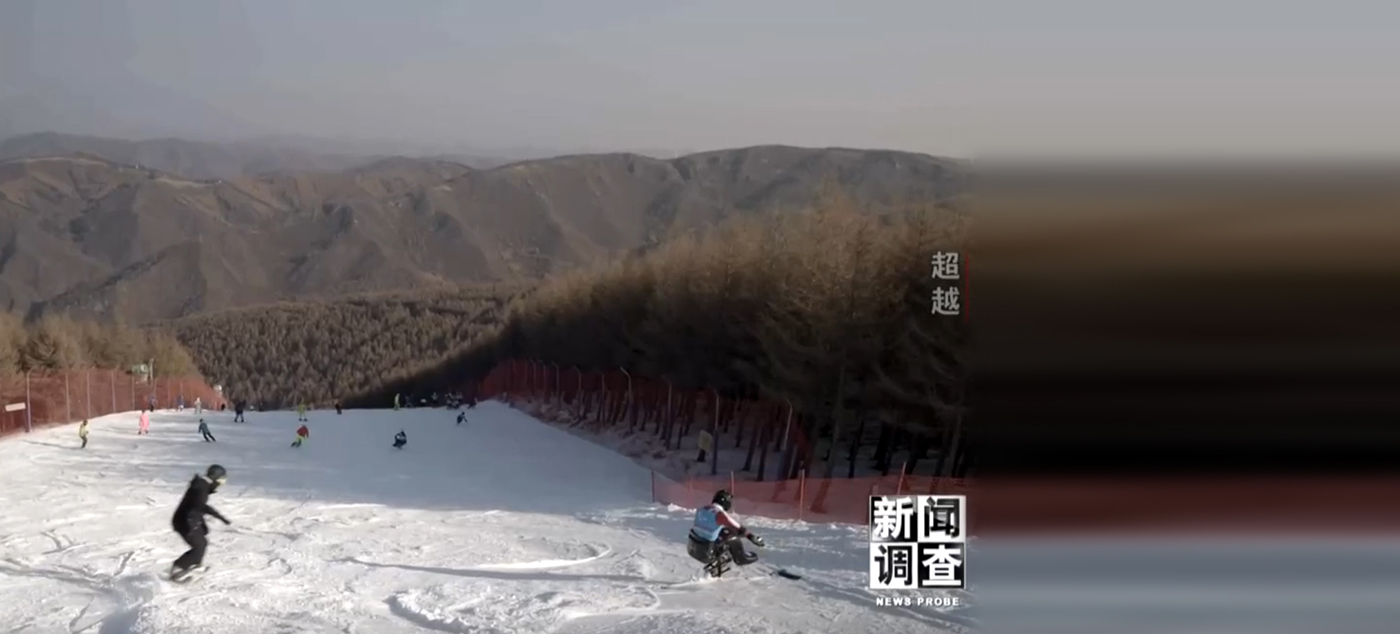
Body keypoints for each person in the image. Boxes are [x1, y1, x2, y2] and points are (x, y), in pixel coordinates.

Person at [170, 465, 231, 580]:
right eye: (220, 480)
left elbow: (196, 506)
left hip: (187, 520)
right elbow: (200, 506)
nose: (221, 484)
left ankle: (193, 565)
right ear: (215, 478)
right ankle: (179, 568)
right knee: (199, 545)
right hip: (185, 521)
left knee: (201, 542)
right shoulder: (201, 487)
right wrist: (219, 516)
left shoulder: (202, 485)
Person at [687, 490, 763, 572]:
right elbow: (736, 526)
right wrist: (750, 536)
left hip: (693, 548)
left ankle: (723, 555)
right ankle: (741, 559)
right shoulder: (719, 514)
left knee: (722, 531)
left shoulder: (702, 509)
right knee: (732, 536)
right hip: (707, 553)